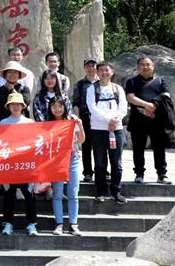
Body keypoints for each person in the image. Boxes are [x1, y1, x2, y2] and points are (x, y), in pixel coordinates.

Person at [86, 62, 128, 204]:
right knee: (100, 163)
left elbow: (123, 108)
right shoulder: (92, 89)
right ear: (97, 73)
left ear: (112, 72)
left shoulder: (118, 89)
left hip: (116, 130)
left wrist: (115, 120)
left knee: (117, 163)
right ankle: (101, 191)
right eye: (101, 70)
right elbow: (92, 108)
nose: (104, 72)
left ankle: (116, 190)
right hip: (98, 130)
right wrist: (109, 120)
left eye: (107, 70)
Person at [126, 57, 172, 184]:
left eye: (148, 64)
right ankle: (139, 174)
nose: (145, 67)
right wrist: (147, 106)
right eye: (142, 64)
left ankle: (162, 174)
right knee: (138, 149)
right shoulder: (132, 81)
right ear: (138, 67)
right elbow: (130, 97)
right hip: (137, 121)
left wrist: (154, 106)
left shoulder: (160, 80)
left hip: (157, 121)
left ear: (153, 66)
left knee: (159, 148)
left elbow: (166, 95)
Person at [0, 91, 38, 236]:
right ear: (8, 106)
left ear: (23, 106)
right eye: (12, 104)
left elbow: (35, 143)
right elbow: (0, 144)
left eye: (18, 104)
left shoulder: (30, 122)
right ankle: (8, 223)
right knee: (9, 194)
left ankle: (31, 223)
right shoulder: (3, 123)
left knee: (29, 194)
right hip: (9, 165)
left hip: (26, 165)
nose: (15, 107)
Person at [48, 96, 85, 236]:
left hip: (72, 159)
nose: (57, 109)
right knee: (57, 193)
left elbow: (81, 140)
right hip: (56, 162)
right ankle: (59, 224)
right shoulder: (48, 124)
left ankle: (73, 224)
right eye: (54, 106)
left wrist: (80, 126)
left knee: (73, 193)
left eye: (60, 106)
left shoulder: (72, 121)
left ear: (65, 106)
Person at [72, 58, 99, 182]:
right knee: (86, 145)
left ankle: (103, 171)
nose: (91, 68)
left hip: (100, 118)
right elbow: (76, 102)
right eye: (88, 65)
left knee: (101, 145)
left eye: (93, 65)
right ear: (84, 68)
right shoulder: (80, 84)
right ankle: (88, 172)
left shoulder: (102, 82)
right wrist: (77, 119)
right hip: (84, 117)